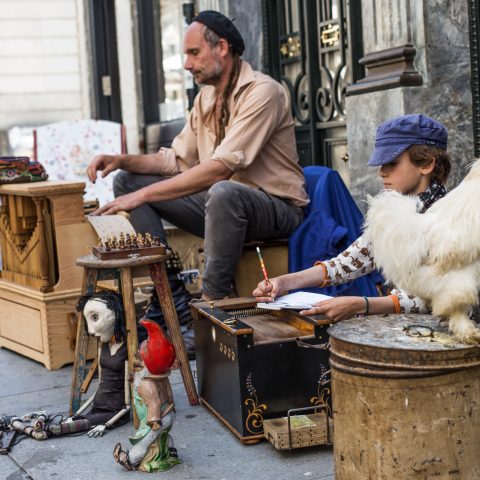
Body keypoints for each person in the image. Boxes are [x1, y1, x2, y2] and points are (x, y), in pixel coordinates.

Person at [87, 10, 308, 301]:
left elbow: (219, 170)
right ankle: (168, 294)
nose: (187, 64)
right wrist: (122, 160)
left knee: (223, 192)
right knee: (129, 182)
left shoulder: (263, 92)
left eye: (194, 53)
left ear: (222, 48)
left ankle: (209, 307)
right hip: (221, 204)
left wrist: (144, 197)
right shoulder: (206, 97)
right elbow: (176, 161)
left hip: (276, 209)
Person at [254, 114, 451, 323]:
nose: (382, 173)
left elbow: (435, 299)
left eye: (391, 163)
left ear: (426, 165)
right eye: (381, 164)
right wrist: (283, 283)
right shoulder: (390, 214)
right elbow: (345, 264)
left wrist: (363, 304)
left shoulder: (449, 219)